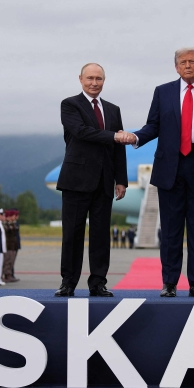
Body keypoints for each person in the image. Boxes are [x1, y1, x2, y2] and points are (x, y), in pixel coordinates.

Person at [118, 47, 194, 298]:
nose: (188, 65)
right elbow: (153, 125)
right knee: (170, 230)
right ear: (176, 67)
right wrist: (136, 137)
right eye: (183, 62)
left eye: (192, 61)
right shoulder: (163, 92)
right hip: (170, 168)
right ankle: (169, 283)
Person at [55, 63, 128, 297]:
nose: (94, 83)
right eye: (90, 78)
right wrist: (114, 136)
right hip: (76, 180)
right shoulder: (70, 105)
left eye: (98, 79)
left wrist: (121, 179)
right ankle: (68, 282)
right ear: (80, 79)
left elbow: (119, 150)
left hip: (104, 181)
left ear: (104, 81)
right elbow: (81, 132)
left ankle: (98, 283)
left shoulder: (113, 110)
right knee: (73, 234)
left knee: (100, 236)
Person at [2, 210, 21, 283]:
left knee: (11, 262)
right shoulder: (6, 224)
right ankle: (7, 275)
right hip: (8, 246)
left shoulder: (12, 224)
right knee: (7, 261)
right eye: (14, 215)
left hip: (13, 246)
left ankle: (9, 275)